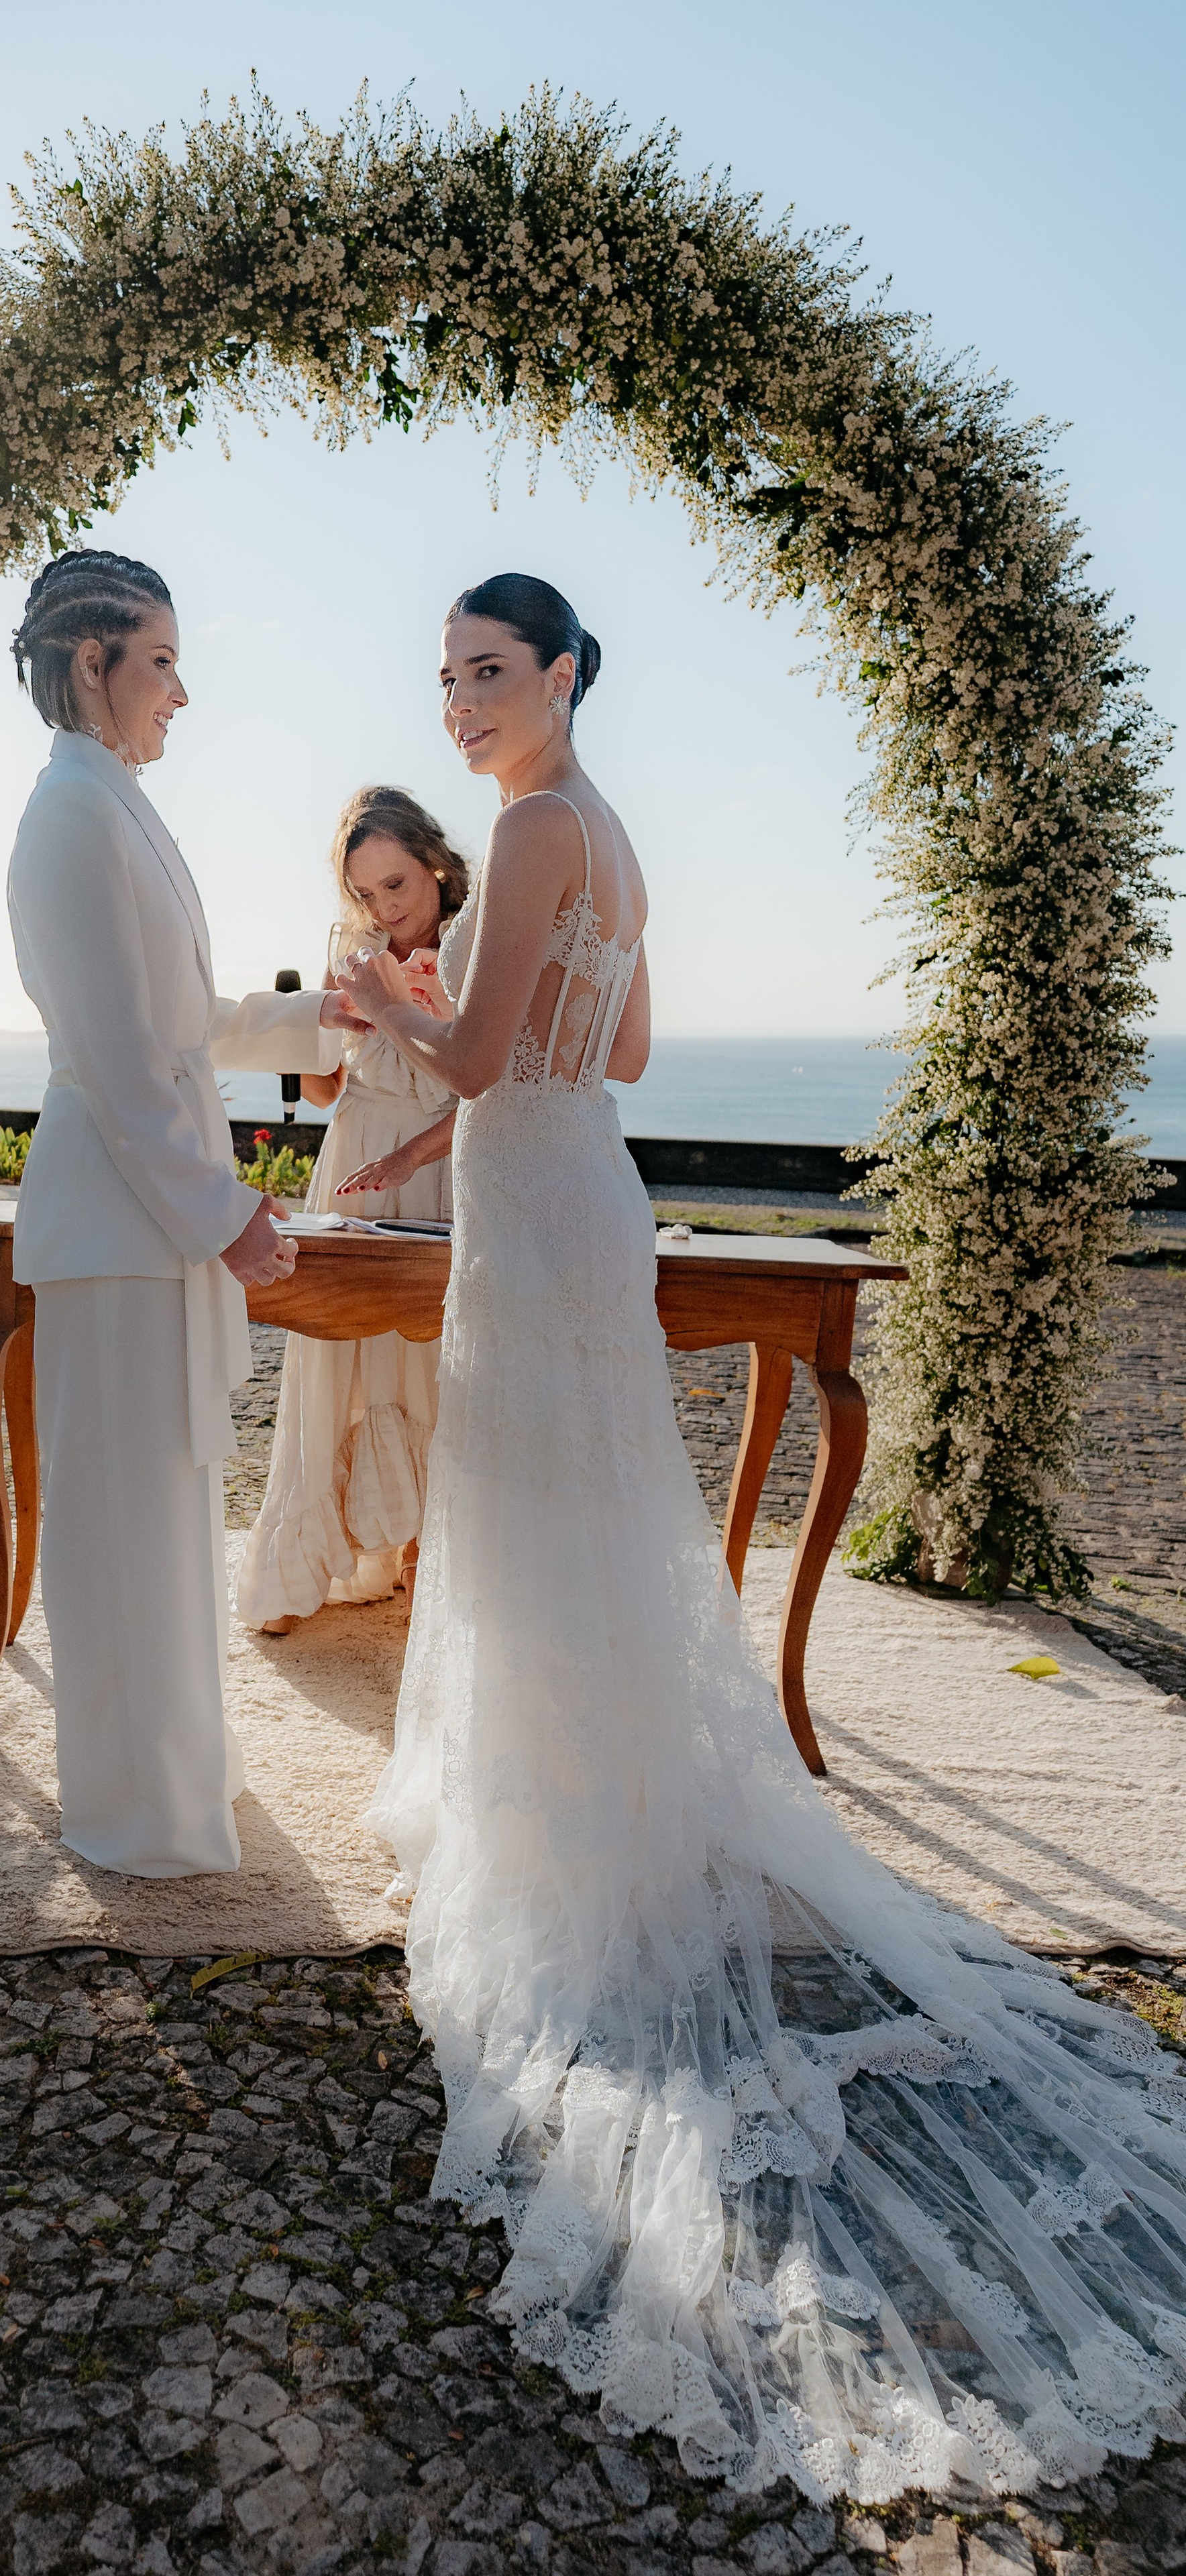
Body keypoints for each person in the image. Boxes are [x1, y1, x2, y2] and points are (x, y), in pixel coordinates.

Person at [334, 571, 1186, 2502]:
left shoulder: (536, 825)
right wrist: (477, 1022)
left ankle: (559, 1833)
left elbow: (475, 1066)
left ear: (561, 672)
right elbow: (621, 1061)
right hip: (583, 1189)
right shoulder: (606, 833)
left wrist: (382, 990)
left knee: (540, 1509)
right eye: (445, 675)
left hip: (527, 1195)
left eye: (485, 671)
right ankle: (601, 1785)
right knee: (585, 1512)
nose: (458, 703)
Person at [5, 549, 356, 1879]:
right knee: (117, 1530)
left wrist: (325, 1014)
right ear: (90, 664)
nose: (180, 692)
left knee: (162, 1521)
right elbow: (108, 1053)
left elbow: (184, 1025)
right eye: (160, 660)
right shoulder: (69, 820)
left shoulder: (112, 808)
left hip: (141, 1225)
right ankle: (132, 1816)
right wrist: (225, 1214)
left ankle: (175, 1785)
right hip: (117, 1228)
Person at [236, 787, 466, 1634]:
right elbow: (329, 1084)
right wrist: (309, 1043)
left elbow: (485, 1087)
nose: (382, 908)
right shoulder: (356, 949)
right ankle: (314, 1557)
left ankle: (422, 1560)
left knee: (431, 1358)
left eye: (396, 886)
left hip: (437, 1164)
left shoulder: (475, 948)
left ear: (436, 866)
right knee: (339, 1351)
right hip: (353, 1158)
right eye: (364, 893)